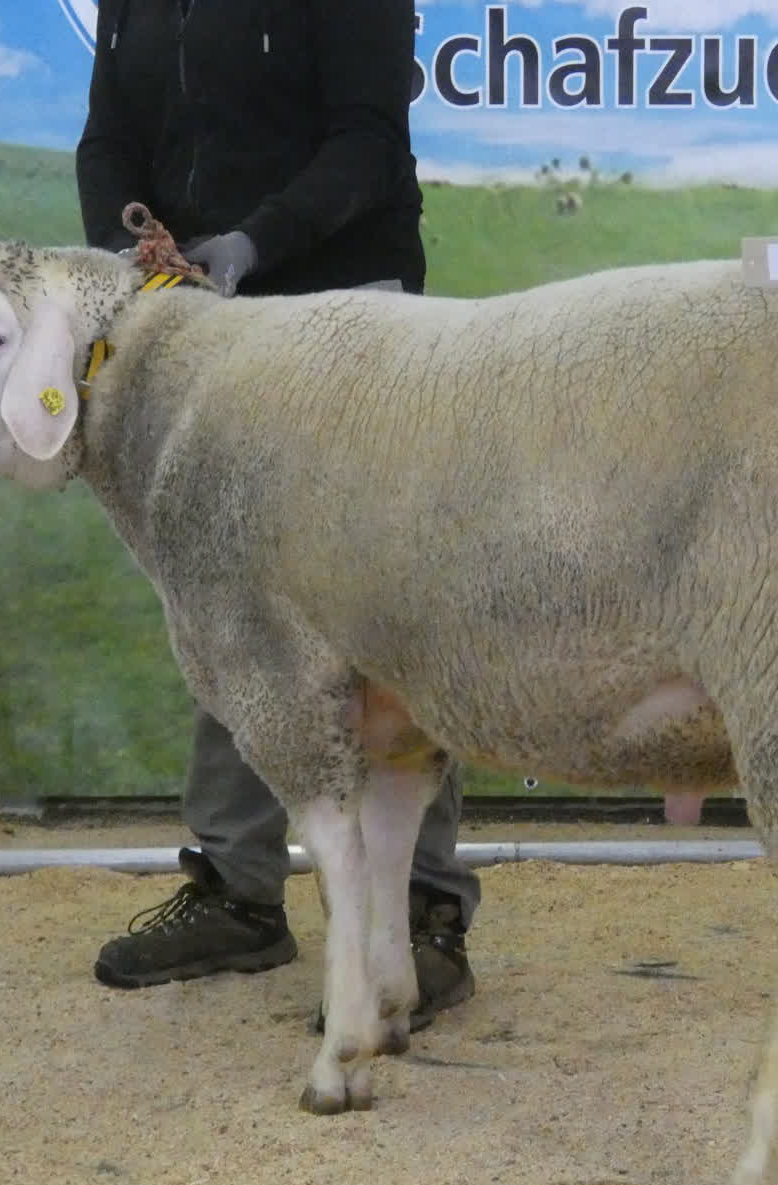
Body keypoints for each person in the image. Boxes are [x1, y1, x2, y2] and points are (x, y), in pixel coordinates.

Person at [73, 0, 480, 1026]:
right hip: (200, 322)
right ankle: (238, 891)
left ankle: (425, 913)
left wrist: (252, 244)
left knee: (391, 608)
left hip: (349, 319)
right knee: (224, 605)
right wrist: (128, 246)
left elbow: (368, 143)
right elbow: (108, 137)